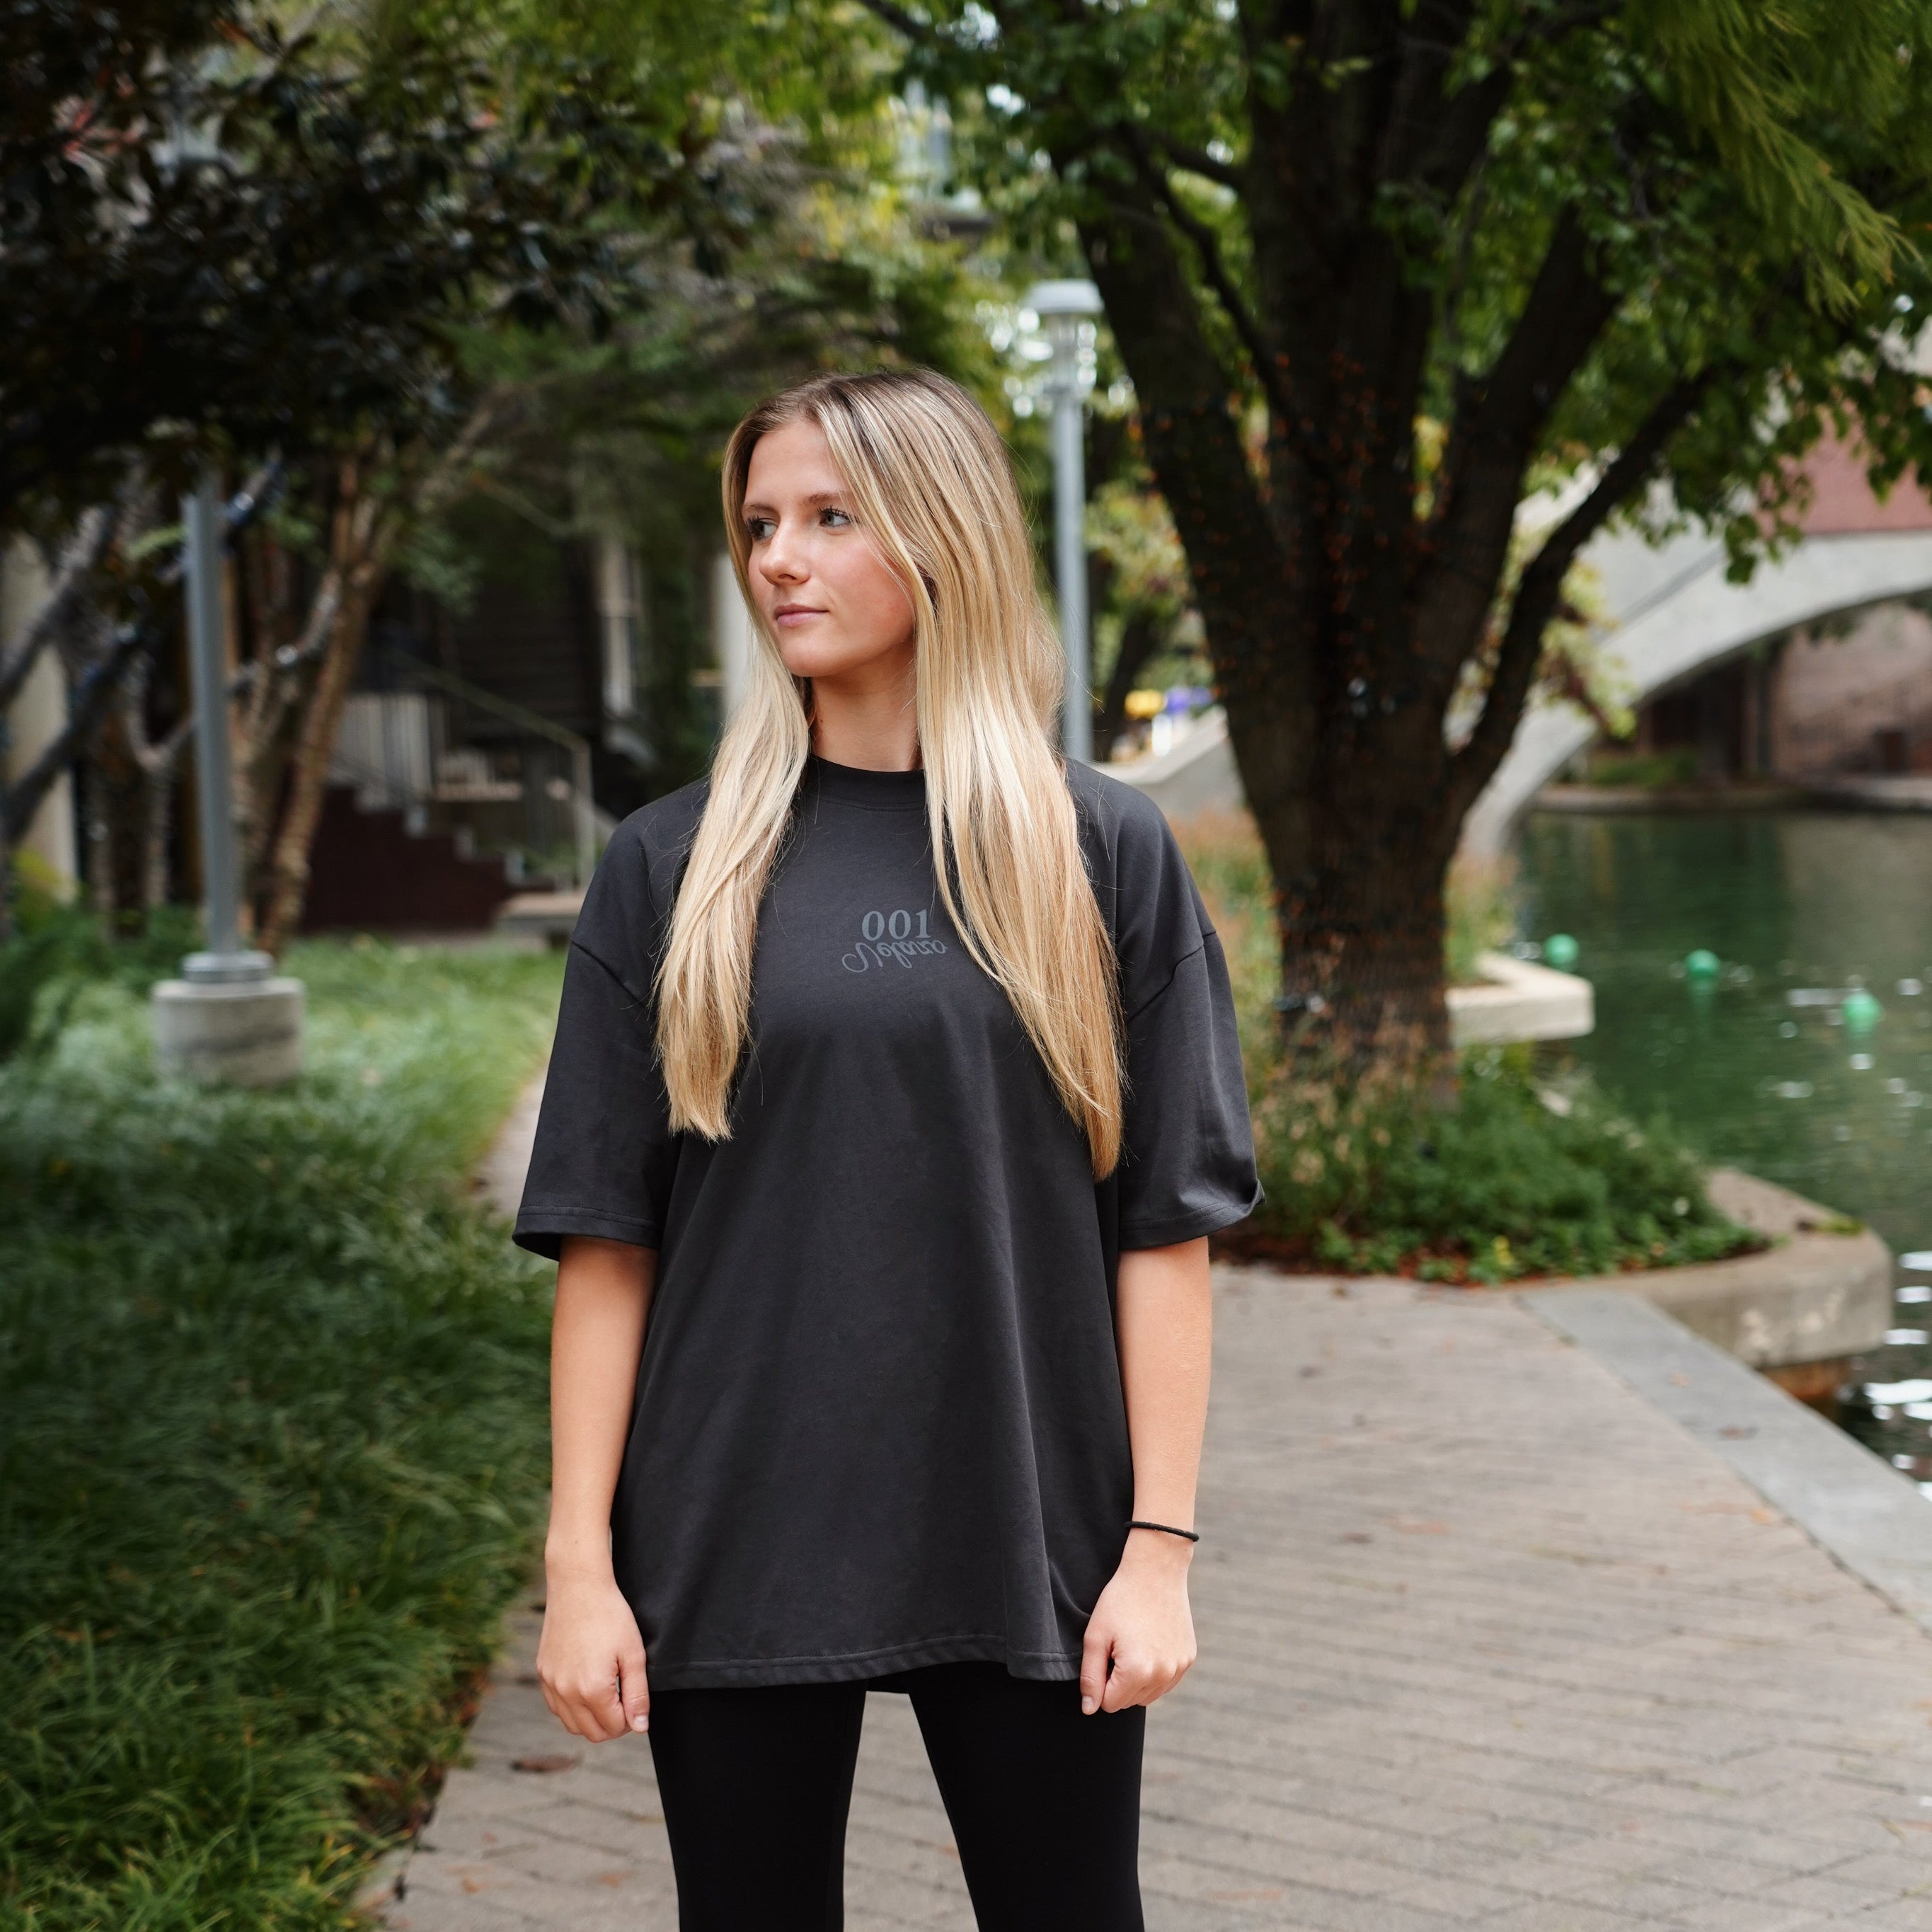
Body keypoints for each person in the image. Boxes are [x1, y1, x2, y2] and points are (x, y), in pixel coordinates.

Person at [512, 366, 1260, 1931]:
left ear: (945, 541)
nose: (780, 557)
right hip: (734, 1525)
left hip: (1031, 1527)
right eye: (763, 523)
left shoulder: (1093, 851)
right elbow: (608, 1242)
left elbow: (1163, 1230)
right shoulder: (674, 866)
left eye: (832, 519)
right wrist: (579, 1567)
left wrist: (1161, 1552)